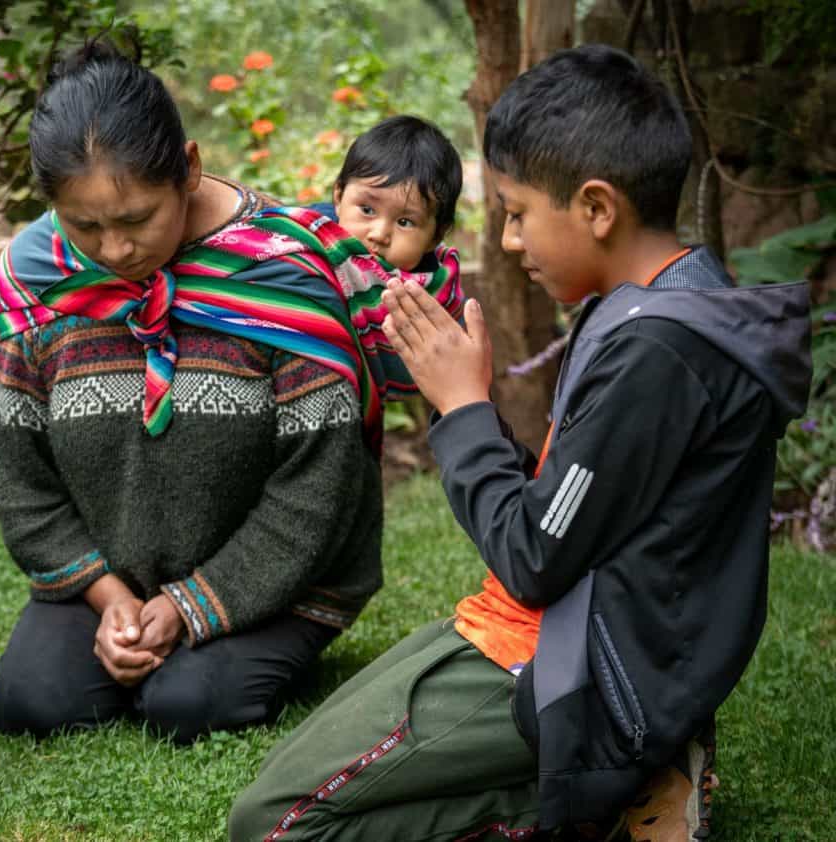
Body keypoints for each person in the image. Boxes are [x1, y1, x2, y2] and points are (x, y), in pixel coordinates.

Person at [228, 44, 812, 842]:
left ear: (598, 208)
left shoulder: (659, 352)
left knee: (274, 823)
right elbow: (569, 510)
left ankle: (605, 798)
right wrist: (464, 402)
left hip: (580, 668)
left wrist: (462, 406)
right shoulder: (661, 301)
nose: (506, 240)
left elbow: (534, 555)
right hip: (565, 627)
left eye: (517, 211)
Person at [0, 40, 463, 745]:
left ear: (191, 168)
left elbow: (319, 488)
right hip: (111, 579)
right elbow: (19, 476)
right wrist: (110, 599)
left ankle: (248, 636)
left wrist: (188, 607)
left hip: (278, 581)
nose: (115, 251)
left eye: (137, 218)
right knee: (34, 704)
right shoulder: (35, 278)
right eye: (85, 226)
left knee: (187, 704)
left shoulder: (282, 272)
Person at [326, 114, 462, 273]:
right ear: (339, 197)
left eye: (404, 222)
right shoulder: (304, 259)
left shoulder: (438, 288)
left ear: (435, 237)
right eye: (367, 210)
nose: (379, 234)